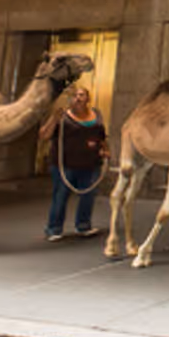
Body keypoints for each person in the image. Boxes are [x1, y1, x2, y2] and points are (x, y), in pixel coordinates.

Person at [40, 86, 108, 242]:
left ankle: (83, 225)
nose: (78, 98)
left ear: (88, 98)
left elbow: (102, 136)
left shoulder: (96, 115)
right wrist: (53, 119)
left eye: (81, 95)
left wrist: (105, 150)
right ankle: (54, 228)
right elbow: (44, 136)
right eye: (75, 95)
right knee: (61, 195)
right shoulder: (62, 117)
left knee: (88, 196)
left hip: (91, 164)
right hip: (65, 165)